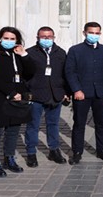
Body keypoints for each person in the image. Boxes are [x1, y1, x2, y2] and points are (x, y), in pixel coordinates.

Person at [0, 27, 35, 177]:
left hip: (17, 97)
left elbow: (30, 72)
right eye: (6, 38)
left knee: (13, 130)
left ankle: (9, 157)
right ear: (0, 38)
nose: (9, 41)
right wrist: (10, 92)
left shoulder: (17, 53)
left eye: (13, 39)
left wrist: (24, 55)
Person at [65, 22, 103, 165]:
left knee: (101, 123)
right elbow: (70, 72)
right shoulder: (75, 50)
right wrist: (76, 89)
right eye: (91, 33)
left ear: (100, 34)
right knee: (79, 123)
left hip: (101, 93)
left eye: (96, 33)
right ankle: (77, 152)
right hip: (81, 94)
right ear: (84, 33)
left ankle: (102, 150)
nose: (94, 35)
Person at [24, 26, 70, 167]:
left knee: (53, 124)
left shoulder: (60, 53)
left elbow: (66, 74)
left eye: (49, 36)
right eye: (43, 37)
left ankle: (54, 150)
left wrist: (67, 92)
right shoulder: (30, 53)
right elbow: (25, 74)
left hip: (55, 95)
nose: (46, 39)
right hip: (36, 95)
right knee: (33, 125)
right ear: (37, 38)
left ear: (53, 37)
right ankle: (31, 153)